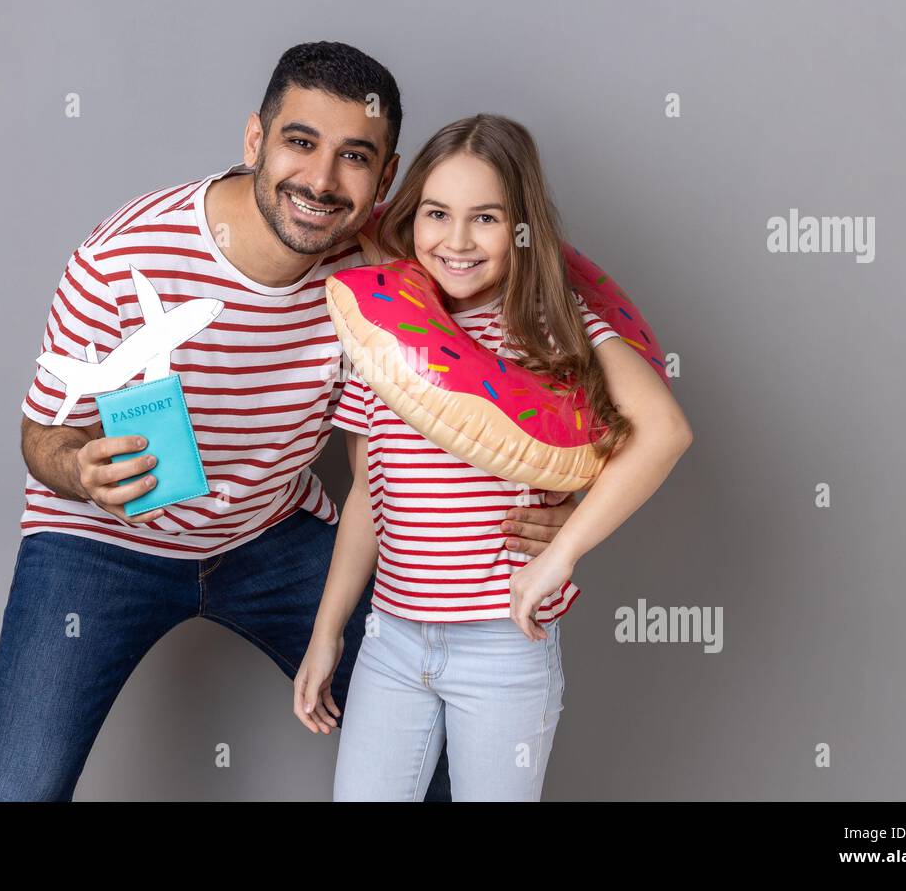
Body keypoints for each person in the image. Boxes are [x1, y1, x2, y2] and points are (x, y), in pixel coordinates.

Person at [0, 43, 580, 802]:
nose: (320, 180)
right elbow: (39, 436)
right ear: (255, 141)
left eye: (354, 157)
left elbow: (510, 372)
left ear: (386, 180)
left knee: (443, 748)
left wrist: (560, 505)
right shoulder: (123, 258)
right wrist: (79, 471)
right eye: (300, 142)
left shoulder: (392, 265)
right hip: (104, 542)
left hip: (271, 536)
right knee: (15, 787)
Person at [292, 114, 694, 801]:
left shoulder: (553, 326)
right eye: (437, 214)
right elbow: (367, 494)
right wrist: (328, 632)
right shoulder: (386, 329)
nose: (455, 241)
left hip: (501, 646)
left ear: (522, 229)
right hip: (392, 640)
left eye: (485, 219)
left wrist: (562, 551)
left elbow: (665, 432)